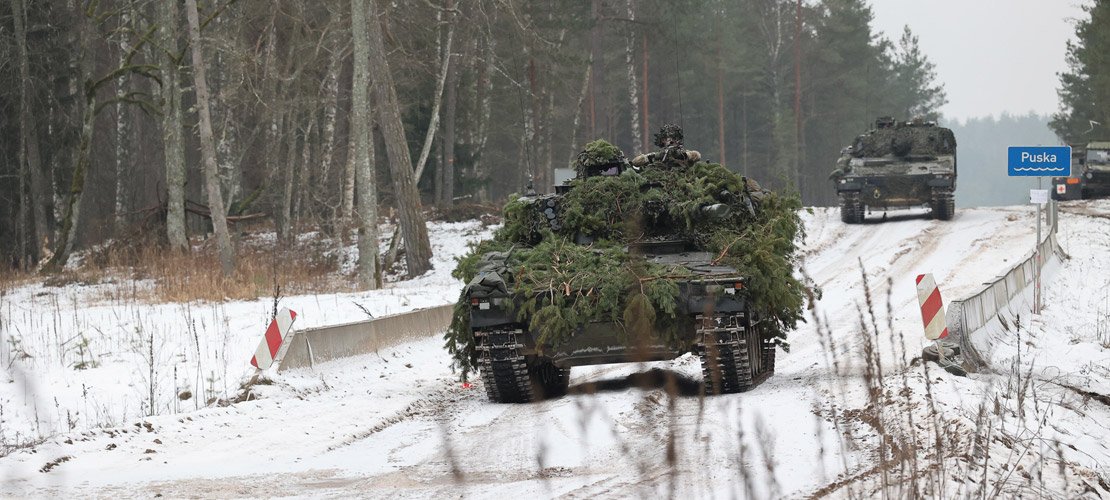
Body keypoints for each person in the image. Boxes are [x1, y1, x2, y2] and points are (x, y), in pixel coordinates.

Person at [630, 124, 702, 169]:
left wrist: (680, 155)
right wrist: (658, 156)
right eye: (667, 139)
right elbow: (636, 162)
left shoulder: (684, 155)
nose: (671, 141)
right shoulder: (656, 156)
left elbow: (697, 156)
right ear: (663, 140)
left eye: (674, 138)